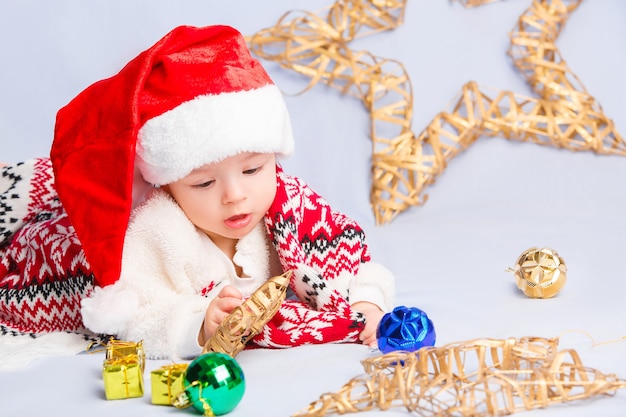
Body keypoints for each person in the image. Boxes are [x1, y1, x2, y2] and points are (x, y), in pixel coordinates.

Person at [1, 25, 394, 361]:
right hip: (57, 255)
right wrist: (198, 325)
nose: (236, 195)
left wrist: (365, 304)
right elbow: (137, 314)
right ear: (166, 184)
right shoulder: (154, 232)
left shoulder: (293, 207)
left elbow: (350, 257)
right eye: (205, 183)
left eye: (254, 169)